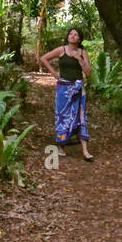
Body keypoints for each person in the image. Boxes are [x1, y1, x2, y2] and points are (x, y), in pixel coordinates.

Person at [39, 27, 93, 161]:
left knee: (80, 117)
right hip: (63, 88)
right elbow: (43, 58)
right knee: (63, 116)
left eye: (76, 35)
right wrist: (54, 73)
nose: (73, 36)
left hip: (78, 88)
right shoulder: (61, 50)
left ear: (80, 39)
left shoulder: (82, 52)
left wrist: (80, 60)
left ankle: (85, 151)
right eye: (71, 34)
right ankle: (61, 146)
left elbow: (88, 73)